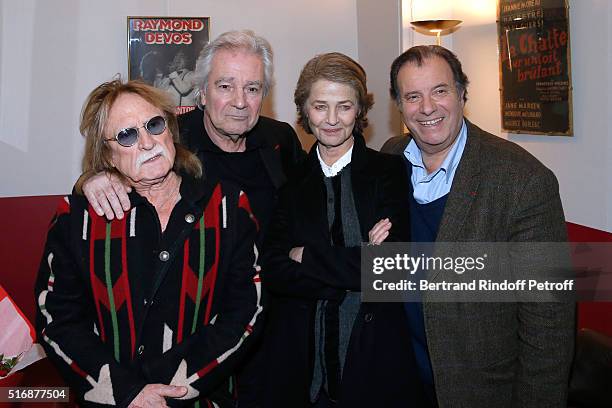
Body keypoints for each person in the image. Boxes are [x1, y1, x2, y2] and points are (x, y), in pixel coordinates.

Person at [77, 29, 304, 407]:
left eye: (252, 88)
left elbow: (307, 205)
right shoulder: (170, 140)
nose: (239, 102)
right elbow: (124, 155)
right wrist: (93, 178)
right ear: (201, 92)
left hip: (270, 320)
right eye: (225, 86)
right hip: (196, 333)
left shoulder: (280, 139)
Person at [35, 79, 262, 407]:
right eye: (127, 135)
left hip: (200, 398)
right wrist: (127, 392)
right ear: (107, 154)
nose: (147, 142)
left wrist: (173, 387)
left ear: (170, 129)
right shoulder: (78, 219)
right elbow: (57, 319)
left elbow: (246, 311)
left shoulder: (227, 206)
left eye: (154, 125)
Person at [381, 45, 575, 407]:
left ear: (461, 93)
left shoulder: (523, 180)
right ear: (399, 105)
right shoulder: (390, 157)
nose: (427, 107)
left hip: (479, 391)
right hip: (400, 379)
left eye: (440, 91)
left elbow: (549, 324)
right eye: (413, 96)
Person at [260, 52, 427, 408]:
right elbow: (274, 270)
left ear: (360, 110)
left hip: (375, 362)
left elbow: (393, 270)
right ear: (304, 111)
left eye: (345, 106)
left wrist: (306, 256)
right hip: (305, 369)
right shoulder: (289, 182)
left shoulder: (391, 172)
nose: (332, 120)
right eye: (320, 107)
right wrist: (359, 262)